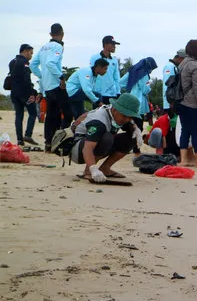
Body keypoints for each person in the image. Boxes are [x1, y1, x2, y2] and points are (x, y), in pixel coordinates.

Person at [70, 93, 142, 182]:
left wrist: (135, 129)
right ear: (115, 110)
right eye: (124, 116)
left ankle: (105, 168)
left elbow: (129, 123)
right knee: (107, 138)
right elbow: (87, 148)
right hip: (78, 149)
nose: (126, 119)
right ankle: (88, 171)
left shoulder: (115, 113)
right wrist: (93, 169)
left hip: (91, 145)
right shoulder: (99, 121)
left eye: (130, 117)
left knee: (132, 137)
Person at [31, 23, 73, 152]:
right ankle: (60, 140)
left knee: (51, 115)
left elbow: (33, 65)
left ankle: (48, 143)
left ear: (50, 34)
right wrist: (61, 77)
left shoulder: (44, 47)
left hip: (47, 87)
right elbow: (50, 63)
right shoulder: (58, 46)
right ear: (62, 33)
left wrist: (42, 76)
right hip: (56, 85)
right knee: (67, 115)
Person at [177, 39, 197, 168]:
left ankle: (183, 160)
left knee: (185, 131)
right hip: (192, 104)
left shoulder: (183, 63)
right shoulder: (195, 66)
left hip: (181, 102)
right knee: (196, 132)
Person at [9, 44, 40, 146]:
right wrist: (32, 93)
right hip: (25, 94)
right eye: (30, 53)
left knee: (19, 115)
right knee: (33, 113)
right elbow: (27, 80)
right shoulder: (25, 63)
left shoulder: (12, 62)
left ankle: (19, 140)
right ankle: (28, 134)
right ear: (25, 51)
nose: (31, 56)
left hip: (14, 93)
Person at [119, 57, 157, 132]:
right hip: (139, 105)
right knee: (138, 127)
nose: (151, 71)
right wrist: (149, 88)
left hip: (130, 101)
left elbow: (120, 83)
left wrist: (130, 87)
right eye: (152, 69)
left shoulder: (132, 71)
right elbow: (145, 90)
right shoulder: (144, 74)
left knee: (130, 126)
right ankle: (134, 142)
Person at [90, 35, 121, 105]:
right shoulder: (94, 57)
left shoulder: (114, 60)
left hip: (112, 94)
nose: (114, 46)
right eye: (112, 44)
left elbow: (117, 78)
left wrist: (118, 92)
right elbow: (91, 74)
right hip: (98, 93)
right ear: (105, 44)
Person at [162, 48, 186, 116]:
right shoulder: (169, 67)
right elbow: (168, 85)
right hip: (170, 103)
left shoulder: (174, 67)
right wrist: (171, 101)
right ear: (179, 58)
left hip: (173, 102)